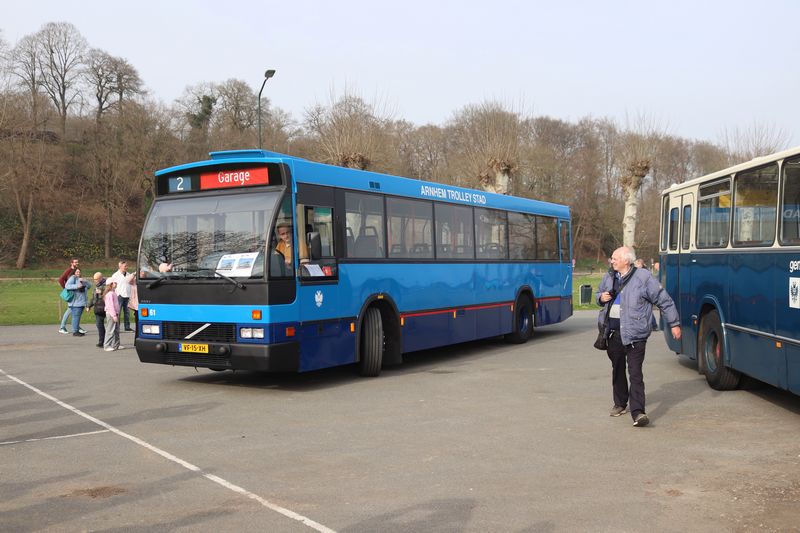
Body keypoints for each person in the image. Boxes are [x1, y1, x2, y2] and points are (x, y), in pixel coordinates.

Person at [597, 246, 681, 427]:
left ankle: (638, 413)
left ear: (626, 260)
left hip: (636, 334)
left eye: (615, 258)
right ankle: (620, 403)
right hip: (613, 333)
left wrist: (674, 323)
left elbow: (664, 300)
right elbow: (598, 294)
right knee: (617, 369)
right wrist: (600, 298)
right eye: (612, 258)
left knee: (635, 373)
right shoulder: (609, 276)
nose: (612, 261)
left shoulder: (644, 277)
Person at [58, 258, 85, 334]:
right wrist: (66, 289)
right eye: (75, 262)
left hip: (77, 294)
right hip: (72, 294)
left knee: (74, 311)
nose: (77, 263)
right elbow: (60, 280)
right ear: (71, 263)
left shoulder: (77, 271)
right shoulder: (68, 270)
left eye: (77, 262)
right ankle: (62, 327)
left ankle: (77, 327)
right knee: (70, 309)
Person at [64, 268, 91, 337]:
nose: (78, 273)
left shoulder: (81, 279)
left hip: (81, 302)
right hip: (75, 303)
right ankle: (75, 331)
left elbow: (89, 286)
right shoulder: (73, 278)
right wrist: (76, 286)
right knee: (76, 317)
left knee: (77, 317)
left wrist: (85, 281)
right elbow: (67, 286)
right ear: (74, 273)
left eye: (79, 272)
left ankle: (77, 330)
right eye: (77, 272)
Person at [110, 260, 135, 332]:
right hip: (119, 295)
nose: (126, 267)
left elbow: (131, 283)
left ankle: (127, 327)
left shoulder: (129, 274)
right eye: (125, 266)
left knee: (127, 312)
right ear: (120, 266)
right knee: (118, 312)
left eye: (126, 266)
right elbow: (112, 285)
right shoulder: (115, 275)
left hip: (127, 295)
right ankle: (117, 327)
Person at [87, 272, 107, 347]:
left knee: (110, 326)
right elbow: (94, 298)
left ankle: (109, 341)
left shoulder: (107, 285)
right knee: (99, 325)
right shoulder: (96, 287)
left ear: (101, 278)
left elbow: (109, 296)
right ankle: (101, 341)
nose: (95, 281)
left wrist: (101, 293)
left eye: (96, 279)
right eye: (94, 279)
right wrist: (89, 306)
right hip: (98, 309)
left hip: (106, 308)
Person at [103, 280, 123, 351]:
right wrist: (114, 315)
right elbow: (110, 306)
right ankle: (106, 345)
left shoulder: (113, 292)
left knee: (116, 330)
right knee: (110, 330)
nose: (116, 284)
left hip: (115, 313)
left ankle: (116, 345)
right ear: (110, 284)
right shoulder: (109, 294)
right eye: (114, 283)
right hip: (111, 314)